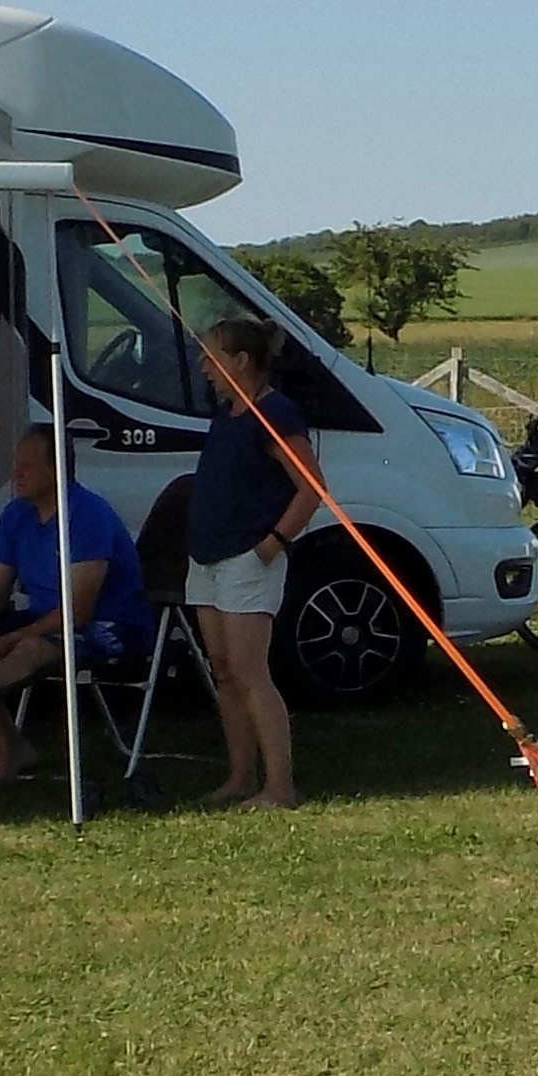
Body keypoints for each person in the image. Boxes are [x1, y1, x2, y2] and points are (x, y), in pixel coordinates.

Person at [0, 423, 151, 784]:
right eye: (16, 463)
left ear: (55, 470)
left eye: (26, 465)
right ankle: (11, 742)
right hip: (46, 619)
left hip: (108, 626)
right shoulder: (15, 515)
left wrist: (4, 641)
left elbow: (79, 612)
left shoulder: (88, 515)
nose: (16, 473)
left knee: (28, 646)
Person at [178, 315, 320, 810]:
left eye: (211, 356)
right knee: (223, 670)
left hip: (247, 558)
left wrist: (273, 542)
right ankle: (241, 777)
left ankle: (280, 788)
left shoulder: (274, 414)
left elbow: (311, 487)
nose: (204, 367)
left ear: (241, 361)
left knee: (248, 669)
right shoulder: (229, 413)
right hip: (208, 558)